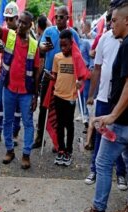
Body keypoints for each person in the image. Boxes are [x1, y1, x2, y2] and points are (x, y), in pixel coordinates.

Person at [73, 1, 128, 212]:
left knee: (102, 163)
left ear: (127, 20)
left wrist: (113, 115)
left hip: (123, 120)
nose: (110, 24)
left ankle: (97, 211)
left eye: (114, 20)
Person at [0, 0, 40, 169]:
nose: (20, 25)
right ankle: (9, 150)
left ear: (30, 26)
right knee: (7, 120)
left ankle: (26, 154)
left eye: (24, 23)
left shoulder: (34, 45)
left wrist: (35, 95)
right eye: (19, 21)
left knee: (27, 123)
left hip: (26, 92)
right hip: (9, 88)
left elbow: (36, 72)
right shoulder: (9, 35)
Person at [85, 10, 128, 190]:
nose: (112, 24)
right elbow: (97, 69)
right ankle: (94, 169)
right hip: (102, 97)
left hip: (119, 98)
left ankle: (120, 173)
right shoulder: (104, 39)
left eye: (114, 20)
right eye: (110, 20)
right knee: (99, 135)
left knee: (116, 137)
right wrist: (91, 95)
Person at [35, 6, 80, 150]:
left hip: (66, 78)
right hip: (49, 76)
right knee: (44, 108)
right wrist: (43, 47)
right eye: (56, 17)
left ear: (68, 17)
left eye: (61, 17)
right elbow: (40, 46)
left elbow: (78, 57)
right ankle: (39, 137)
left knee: (64, 112)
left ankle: (59, 141)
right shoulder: (49, 31)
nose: (58, 19)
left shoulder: (73, 34)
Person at [0, 1, 22, 147]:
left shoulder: (25, 33)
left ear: (17, 19)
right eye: (6, 18)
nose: (7, 21)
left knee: (17, 108)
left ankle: (14, 133)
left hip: (19, 78)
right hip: (4, 74)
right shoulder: (6, 33)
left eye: (10, 18)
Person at [51, 30, 86, 166]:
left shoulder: (77, 58)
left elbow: (83, 76)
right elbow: (55, 75)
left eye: (65, 45)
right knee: (59, 125)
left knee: (69, 125)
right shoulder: (57, 57)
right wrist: (50, 77)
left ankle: (69, 151)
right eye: (61, 46)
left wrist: (80, 83)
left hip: (70, 97)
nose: (63, 48)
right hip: (58, 94)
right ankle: (61, 149)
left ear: (71, 44)